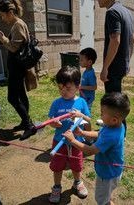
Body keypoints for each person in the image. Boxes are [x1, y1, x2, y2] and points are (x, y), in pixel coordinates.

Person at [63, 92, 130, 205]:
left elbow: (89, 151)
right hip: (112, 171)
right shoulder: (116, 126)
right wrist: (82, 132)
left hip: (107, 175)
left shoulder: (111, 136)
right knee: (106, 197)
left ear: (114, 119)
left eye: (102, 113)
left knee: (102, 200)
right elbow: (99, 134)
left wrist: (73, 140)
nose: (100, 114)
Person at [0, 0, 36, 140]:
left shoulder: (18, 25)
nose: (2, 18)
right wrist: (3, 36)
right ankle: (25, 122)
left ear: (10, 12)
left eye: (2, 15)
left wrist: (0, 37)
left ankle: (29, 126)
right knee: (21, 95)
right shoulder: (18, 24)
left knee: (12, 98)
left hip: (17, 68)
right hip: (18, 67)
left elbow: (13, 47)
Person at [48, 66, 91, 203]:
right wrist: (54, 123)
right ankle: (56, 186)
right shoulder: (56, 103)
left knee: (77, 164)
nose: (63, 91)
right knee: (57, 165)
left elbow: (88, 120)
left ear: (77, 87)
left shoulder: (81, 102)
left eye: (67, 88)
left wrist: (80, 115)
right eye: (60, 88)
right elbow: (51, 120)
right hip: (59, 140)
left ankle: (77, 182)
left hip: (76, 141)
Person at [98, 0, 134, 93]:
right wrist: (127, 62)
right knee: (116, 97)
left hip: (113, 67)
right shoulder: (127, 12)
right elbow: (132, 40)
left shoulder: (112, 12)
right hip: (122, 65)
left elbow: (115, 41)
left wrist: (105, 68)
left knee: (112, 101)